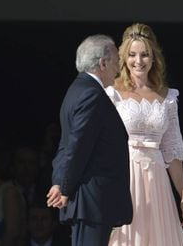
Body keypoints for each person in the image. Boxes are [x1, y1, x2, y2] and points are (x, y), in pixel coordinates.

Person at [106, 23, 183, 246]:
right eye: (132, 55)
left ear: (154, 57)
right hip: (124, 176)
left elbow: (172, 148)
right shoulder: (111, 93)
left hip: (157, 180)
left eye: (145, 55)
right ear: (124, 57)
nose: (139, 61)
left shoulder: (168, 96)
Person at [45, 34, 133, 246]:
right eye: (115, 62)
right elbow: (77, 146)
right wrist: (64, 187)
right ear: (102, 63)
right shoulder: (92, 94)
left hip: (87, 201)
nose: (118, 69)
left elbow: (66, 145)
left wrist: (59, 181)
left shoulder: (76, 90)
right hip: (91, 201)